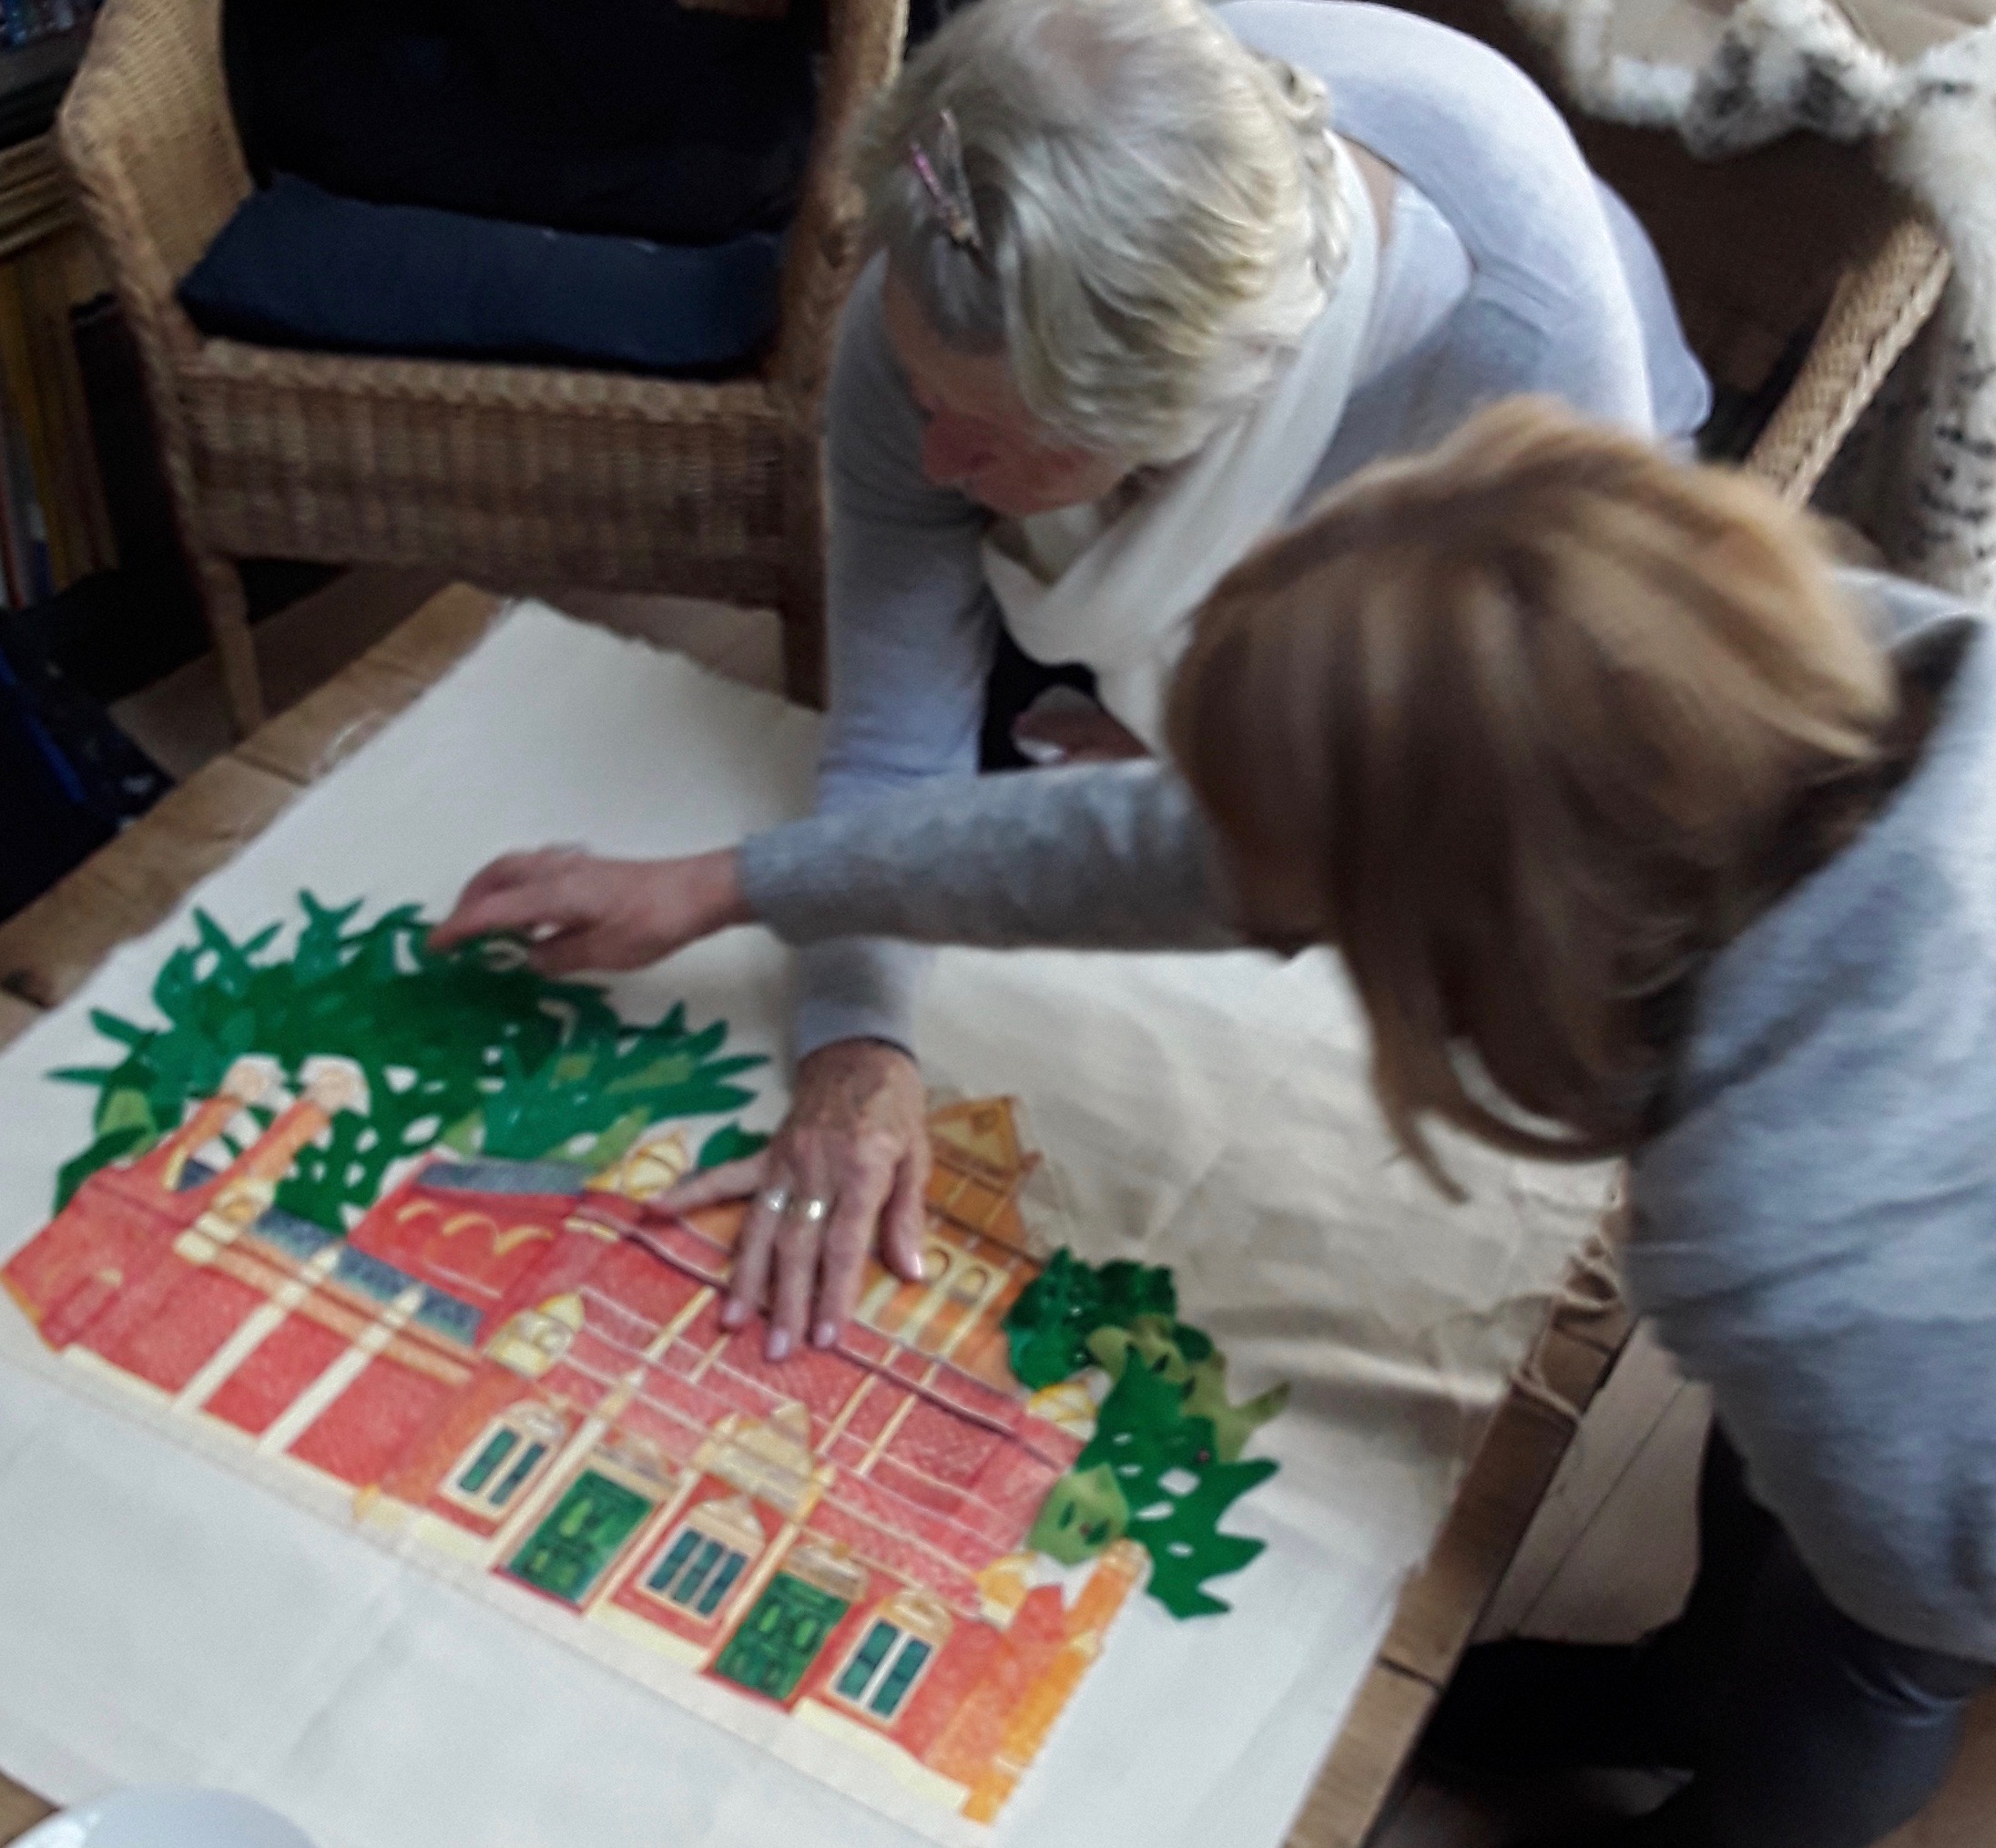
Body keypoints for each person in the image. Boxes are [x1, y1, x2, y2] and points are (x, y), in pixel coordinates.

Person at [433, 398, 1994, 1845]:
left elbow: (1938, 1587)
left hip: (1949, 1501)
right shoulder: (1771, 689)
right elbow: (1172, 847)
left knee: (1867, 1652)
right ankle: (1686, 1681)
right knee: (1789, 1513)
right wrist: (732, 881)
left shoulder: (1793, 1245)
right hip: (1894, 1296)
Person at [446, 0, 1711, 1355]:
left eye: (989, 437)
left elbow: (1375, 833)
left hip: (1513, 551)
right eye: (925, 399)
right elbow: (893, 742)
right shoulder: (950, 282)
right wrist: (853, 1047)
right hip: (1168, 541)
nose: (934, 466)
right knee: (985, 852)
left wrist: (1210, 767)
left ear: (1175, 437)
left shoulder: (1527, 374)